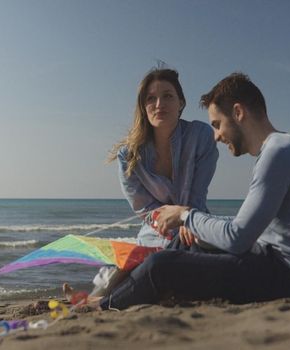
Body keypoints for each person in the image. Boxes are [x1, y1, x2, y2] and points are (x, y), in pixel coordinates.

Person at [98, 72, 290, 310]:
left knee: (161, 265)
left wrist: (185, 216)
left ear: (238, 112)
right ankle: (112, 292)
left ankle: (102, 306)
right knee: (193, 245)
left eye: (217, 124)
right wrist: (197, 226)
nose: (217, 136)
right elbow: (246, 230)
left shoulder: (277, 153)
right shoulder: (282, 147)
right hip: (277, 263)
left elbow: (237, 237)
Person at [64, 67, 219, 300]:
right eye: (151, 99)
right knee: (139, 256)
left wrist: (188, 219)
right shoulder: (129, 154)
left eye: (167, 96)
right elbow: (144, 209)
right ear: (143, 107)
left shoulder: (201, 136)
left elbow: (197, 194)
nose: (159, 104)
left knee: (193, 253)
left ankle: (98, 298)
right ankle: (97, 296)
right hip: (156, 230)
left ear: (181, 103)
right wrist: (169, 228)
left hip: (193, 224)